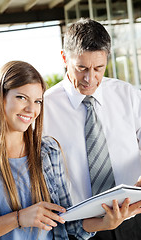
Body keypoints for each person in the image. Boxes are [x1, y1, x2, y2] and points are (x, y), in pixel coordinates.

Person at [0, 60, 140, 240]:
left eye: (37, 101)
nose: (31, 109)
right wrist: (18, 218)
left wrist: (105, 224)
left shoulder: (49, 151)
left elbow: (66, 221)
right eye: (21, 97)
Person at [43, 18, 141, 240]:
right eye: (81, 68)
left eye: (98, 68)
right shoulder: (45, 107)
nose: (90, 78)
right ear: (64, 58)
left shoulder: (127, 95)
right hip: (82, 228)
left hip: (133, 217)